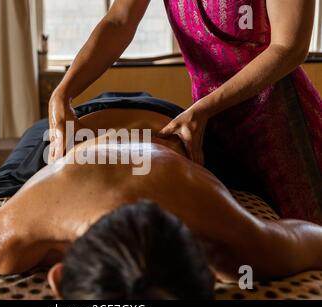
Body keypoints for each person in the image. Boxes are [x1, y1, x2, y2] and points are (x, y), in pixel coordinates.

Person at [0, 106, 322, 299]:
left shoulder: (244, 246)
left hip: (172, 128)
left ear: (59, 282)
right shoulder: (3, 239)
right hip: (68, 133)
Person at [48, 0, 322, 223]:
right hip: (208, 127)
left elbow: (290, 47)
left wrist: (203, 108)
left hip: (281, 126)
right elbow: (120, 20)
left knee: (305, 246)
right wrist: (64, 91)